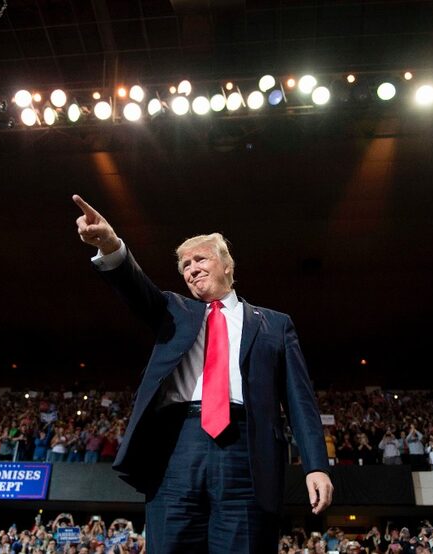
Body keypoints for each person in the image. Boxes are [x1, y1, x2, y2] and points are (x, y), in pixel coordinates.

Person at [72, 194, 333, 553]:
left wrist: (316, 466)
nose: (190, 268)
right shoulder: (173, 311)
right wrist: (110, 244)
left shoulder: (275, 324)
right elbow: (135, 287)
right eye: (184, 265)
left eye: (199, 259)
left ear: (227, 265)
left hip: (247, 453)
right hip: (177, 447)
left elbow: (300, 401)